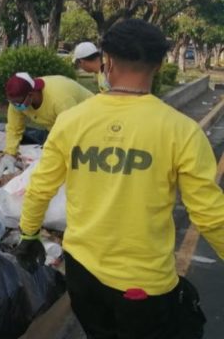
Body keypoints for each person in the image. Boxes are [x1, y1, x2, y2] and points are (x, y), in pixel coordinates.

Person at [16, 19, 223, 338]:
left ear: (107, 63)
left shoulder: (71, 121)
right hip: (143, 283)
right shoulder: (181, 131)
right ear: (159, 64)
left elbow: (41, 187)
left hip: (82, 273)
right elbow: (209, 215)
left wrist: (28, 234)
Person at [0, 72, 93, 175]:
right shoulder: (18, 101)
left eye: (17, 103)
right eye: (12, 102)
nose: (15, 106)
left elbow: (73, 131)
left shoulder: (59, 100)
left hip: (91, 121)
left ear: (31, 94)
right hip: (61, 126)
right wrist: (10, 154)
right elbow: (14, 128)